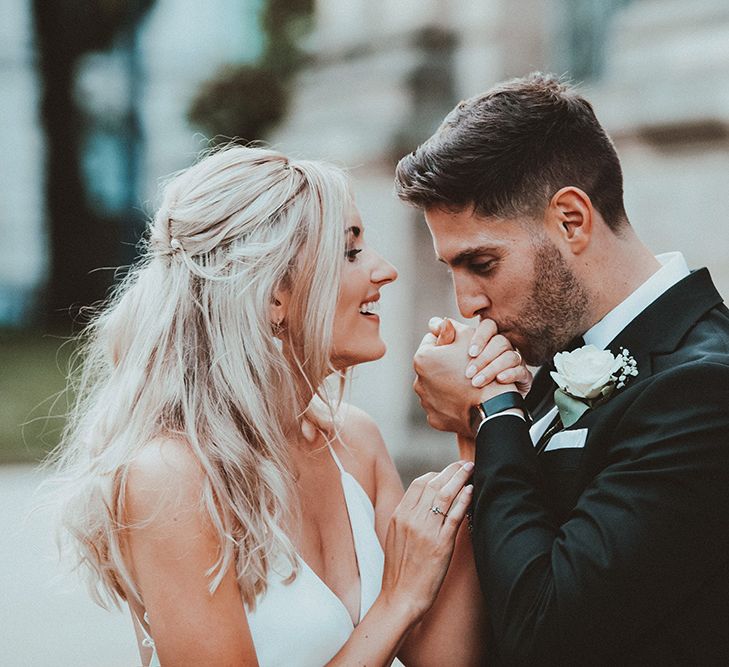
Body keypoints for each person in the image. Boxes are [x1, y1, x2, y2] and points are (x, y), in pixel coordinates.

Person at [50, 145, 528, 666]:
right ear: (275, 294)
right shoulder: (173, 476)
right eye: (349, 253)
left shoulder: (355, 443)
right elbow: (404, 601)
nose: (386, 270)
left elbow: (449, 659)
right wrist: (396, 601)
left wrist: (474, 424)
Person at [395, 72, 729, 666]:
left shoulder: (705, 387)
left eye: (481, 262)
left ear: (571, 219)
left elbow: (545, 631)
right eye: (452, 269)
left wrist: (492, 411)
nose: (466, 303)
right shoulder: (551, 359)